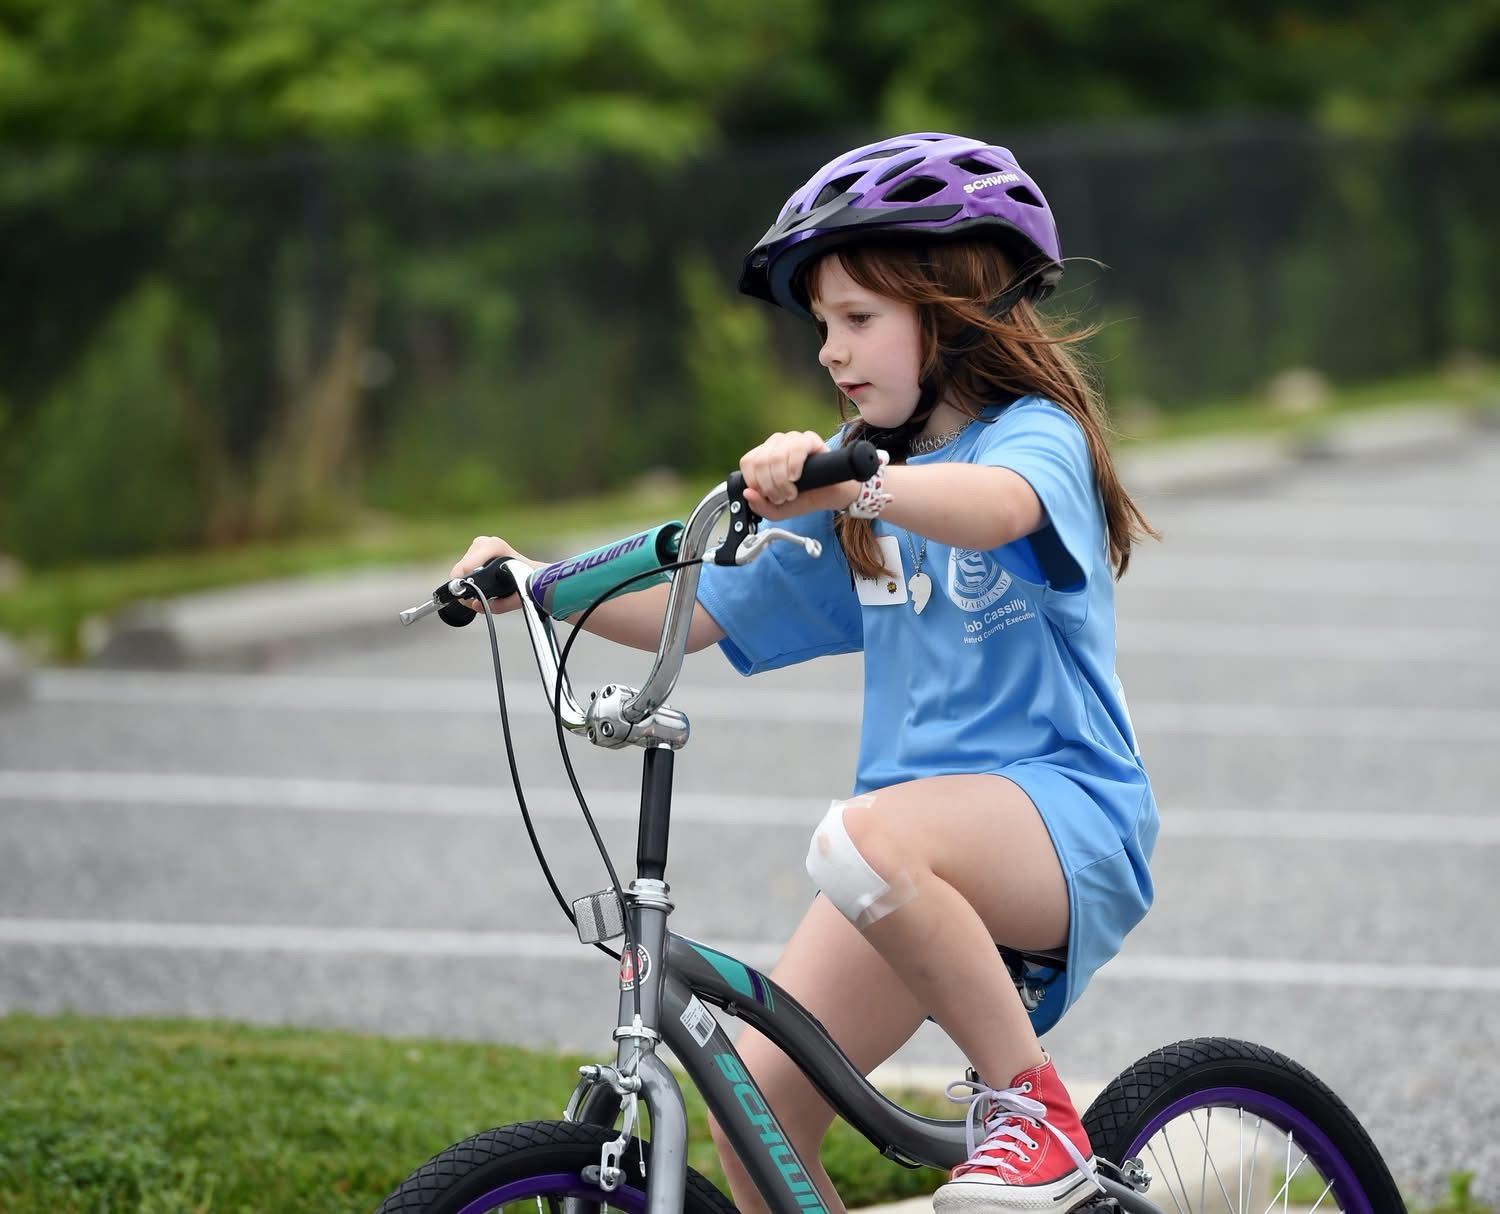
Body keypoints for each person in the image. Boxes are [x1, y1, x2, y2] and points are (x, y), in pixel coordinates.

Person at [451, 132, 1159, 1214]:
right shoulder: (863, 500)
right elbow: (699, 612)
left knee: (861, 837)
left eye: (860, 318)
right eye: (823, 324)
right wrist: (539, 583)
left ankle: (1038, 1117)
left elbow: (997, 509)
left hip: (1066, 823)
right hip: (905, 855)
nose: (831, 350)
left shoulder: (1032, 439)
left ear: (955, 309)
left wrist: (859, 483)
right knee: (757, 1115)